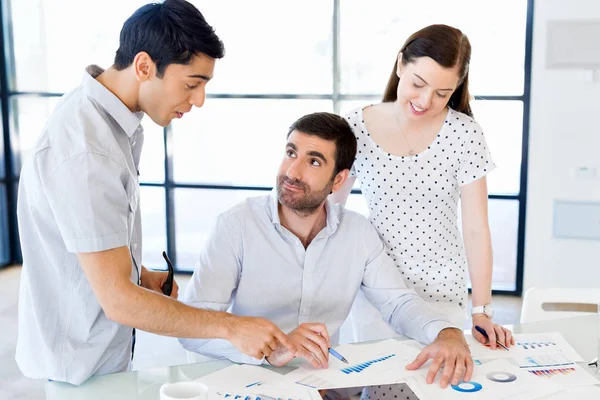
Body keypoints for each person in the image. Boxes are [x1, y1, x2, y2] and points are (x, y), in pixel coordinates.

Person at [16, 0, 294, 385]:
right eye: (191, 84)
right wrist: (231, 327)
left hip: (99, 357)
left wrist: (137, 273)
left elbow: (81, 241)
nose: (198, 100)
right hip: (78, 372)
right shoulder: (88, 150)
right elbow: (118, 301)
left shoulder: (109, 121)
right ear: (144, 66)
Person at [179, 112, 474, 389]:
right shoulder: (235, 226)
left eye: (314, 161)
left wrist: (446, 333)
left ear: (338, 180)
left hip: (323, 385)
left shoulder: (358, 233)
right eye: (291, 153)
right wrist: (269, 351)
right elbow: (193, 326)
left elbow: (397, 303)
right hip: (249, 381)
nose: (292, 171)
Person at [330, 24, 514, 351]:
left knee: (436, 385)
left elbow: (476, 230)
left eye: (442, 94)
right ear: (401, 65)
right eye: (418, 84)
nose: (426, 101)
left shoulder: (465, 134)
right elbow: (330, 213)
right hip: (377, 289)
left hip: (442, 291)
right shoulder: (356, 125)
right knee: (381, 387)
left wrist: (482, 310)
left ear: (457, 88)